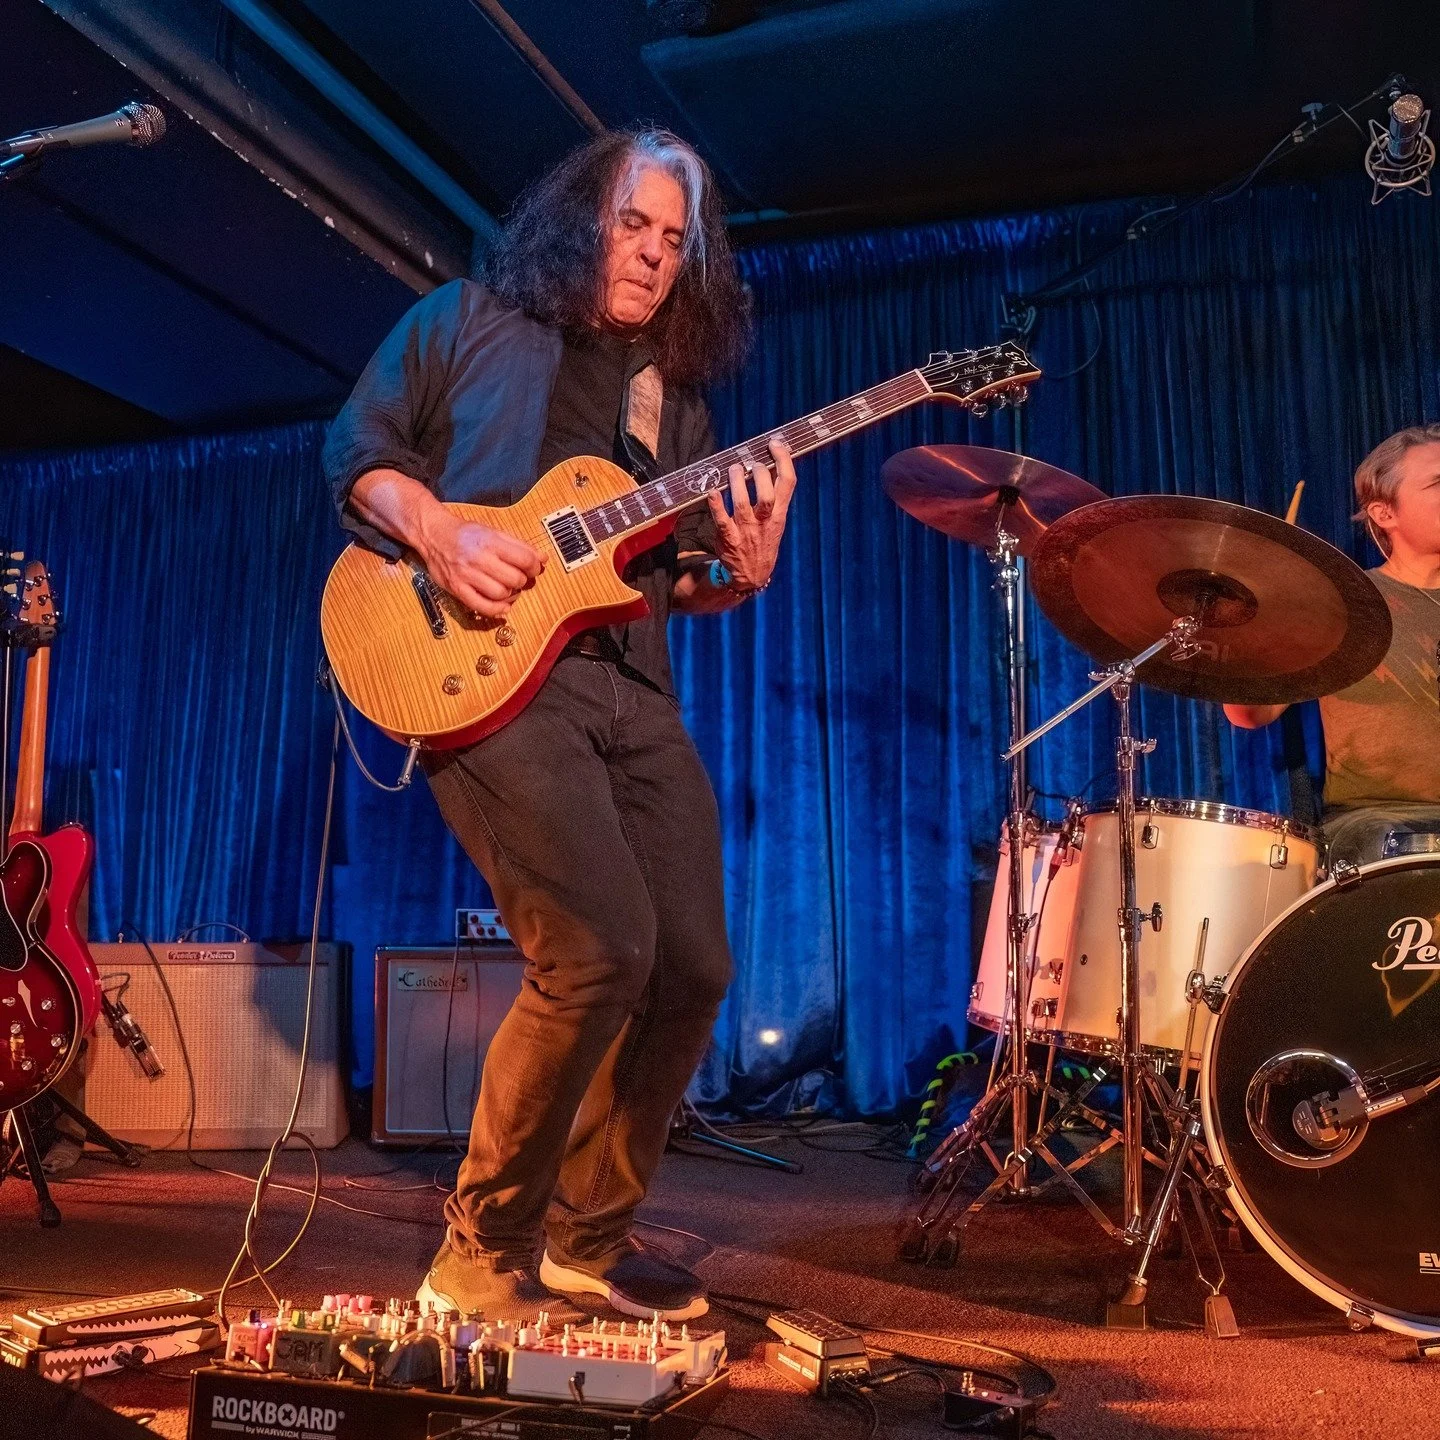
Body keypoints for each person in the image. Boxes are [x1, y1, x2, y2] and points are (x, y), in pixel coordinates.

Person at [322, 129, 797, 1322]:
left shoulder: (669, 397)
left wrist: (742, 572)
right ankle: (479, 1252)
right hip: (475, 670)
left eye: (672, 239)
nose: (649, 255)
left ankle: (592, 1234)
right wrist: (438, 529)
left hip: (631, 686)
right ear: (581, 219)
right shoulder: (468, 317)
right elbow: (356, 452)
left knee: (692, 964)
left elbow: (673, 581)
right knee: (595, 947)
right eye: (631, 225)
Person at [1225, 425, 1440, 865]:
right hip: (1382, 821)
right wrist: (1258, 623)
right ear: (1384, 513)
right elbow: (1249, 713)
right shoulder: (1342, 604)